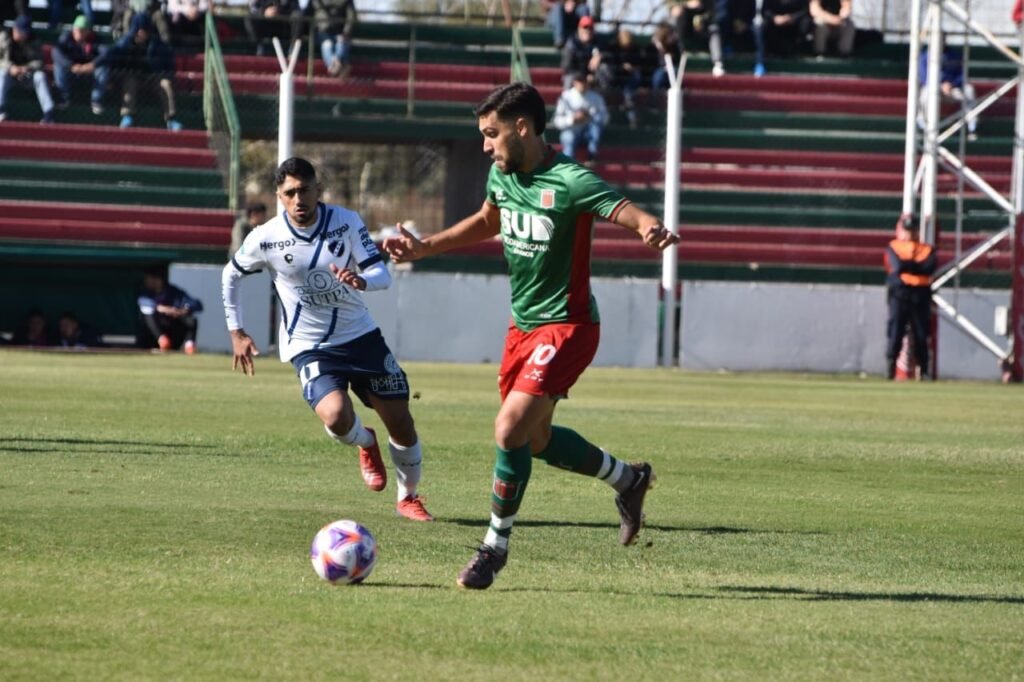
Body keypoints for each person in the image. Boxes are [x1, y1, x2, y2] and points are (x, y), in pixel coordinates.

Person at [382, 82, 679, 590]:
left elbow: (622, 208)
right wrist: (424, 247)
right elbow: (486, 220)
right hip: (522, 328)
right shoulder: (503, 174)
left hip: (568, 326)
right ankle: (629, 480)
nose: (485, 145)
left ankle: (493, 548)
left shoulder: (569, 180)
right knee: (534, 440)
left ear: (523, 127)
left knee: (508, 427)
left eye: (491, 134)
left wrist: (649, 226)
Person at [223, 157, 434, 522]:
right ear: (279, 195)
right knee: (336, 415)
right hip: (310, 345)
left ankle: (408, 497)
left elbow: (380, 274)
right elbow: (231, 275)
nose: (298, 199)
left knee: (401, 420)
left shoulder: (346, 222)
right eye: (289, 193)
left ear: (318, 190)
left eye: (305, 190)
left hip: (362, 338)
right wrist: (236, 331)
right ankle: (365, 442)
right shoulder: (266, 237)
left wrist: (363, 281)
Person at [94, 13, 183, 130]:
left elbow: (170, 65)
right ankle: (127, 116)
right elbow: (111, 55)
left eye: (144, 30)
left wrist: (163, 74)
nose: (141, 33)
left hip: (152, 78)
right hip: (131, 77)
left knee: (165, 84)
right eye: (139, 29)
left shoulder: (157, 44)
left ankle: (171, 119)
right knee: (130, 81)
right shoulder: (125, 42)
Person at [884, 214, 937, 380]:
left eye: (913, 230)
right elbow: (897, 267)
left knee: (922, 334)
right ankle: (890, 368)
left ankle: (924, 370)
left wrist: (908, 266)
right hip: (900, 294)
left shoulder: (927, 249)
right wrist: (915, 266)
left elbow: (928, 267)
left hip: (920, 295)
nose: (910, 234)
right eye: (907, 230)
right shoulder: (894, 247)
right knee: (896, 331)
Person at [0, 15, 55, 124]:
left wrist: (26, 68)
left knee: (40, 76)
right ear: (15, 28)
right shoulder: (4, 37)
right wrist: (11, 67)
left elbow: (40, 62)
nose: (22, 34)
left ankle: (49, 113)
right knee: (2, 74)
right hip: (9, 75)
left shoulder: (34, 40)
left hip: (27, 75)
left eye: (24, 32)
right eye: (20, 31)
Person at [919, 40, 979, 140]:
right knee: (925, 94)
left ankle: (972, 127)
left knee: (969, 90)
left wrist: (951, 84)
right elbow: (923, 77)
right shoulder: (925, 57)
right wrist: (940, 85)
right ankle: (924, 127)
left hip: (953, 88)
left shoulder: (954, 55)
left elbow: (962, 74)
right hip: (933, 88)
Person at [137, 267, 204, 354]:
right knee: (148, 314)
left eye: (148, 279)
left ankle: (189, 346)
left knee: (191, 319)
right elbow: (142, 302)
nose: (146, 281)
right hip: (154, 336)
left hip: (174, 333)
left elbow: (197, 304)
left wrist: (182, 310)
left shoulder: (174, 292)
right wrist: (160, 308)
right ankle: (163, 341)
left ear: (157, 280)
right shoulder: (146, 293)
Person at [52, 14, 105, 113]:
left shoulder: (95, 39)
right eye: (76, 29)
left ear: (88, 31)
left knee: (103, 68)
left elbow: (106, 54)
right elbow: (56, 52)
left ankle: (96, 100)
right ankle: (64, 97)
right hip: (71, 71)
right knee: (58, 66)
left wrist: (92, 64)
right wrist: (71, 66)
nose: (78, 32)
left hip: (89, 72)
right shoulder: (66, 37)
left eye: (82, 30)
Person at [553, 72, 608, 164]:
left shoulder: (596, 97)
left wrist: (589, 116)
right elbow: (556, 121)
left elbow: (605, 117)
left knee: (597, 122)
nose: (583, 84)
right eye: (580, 81)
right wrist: (572, 119)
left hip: (588, 132)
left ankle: (592, 155)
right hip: (571, 130)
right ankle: (569, 165)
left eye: (585, 81)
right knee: (569, 137)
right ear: (574, 82)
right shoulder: (566, 96)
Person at [312, 0, 356, 79]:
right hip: (323, 31)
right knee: (327, 44)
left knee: (341, 43)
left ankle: (333, 66)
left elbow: (351, 17)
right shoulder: (318, 2)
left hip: (340, 32)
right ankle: (339, 66)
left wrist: (345, 32)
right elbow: (317, 14)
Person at [560, 14, 604, 89]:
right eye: (585, 27)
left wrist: (600, 56)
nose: (587, 30)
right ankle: (568, 100)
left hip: (592, 76)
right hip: (576, 75)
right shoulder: (572, 43)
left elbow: (607, 53)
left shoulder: (597, 42)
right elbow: (567, 67)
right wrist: (584, 77)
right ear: (579, 28)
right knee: (569, 79)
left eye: (590, 28)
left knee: (604, 72)